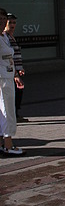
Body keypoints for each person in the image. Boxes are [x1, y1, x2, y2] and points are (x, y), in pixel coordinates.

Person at [0, 8, 25, 156]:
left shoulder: (4, 36)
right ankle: (8, 145)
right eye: (0, 20)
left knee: (6, 109)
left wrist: (15, 74)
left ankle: (3, 144)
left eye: (4, 20)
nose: (3, 23)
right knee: (6, 110)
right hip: (2, 79)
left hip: (8, 76)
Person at [4, 13, 28, 122]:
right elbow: (9, 57)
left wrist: (20, 68)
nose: (12, 25)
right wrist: (15, 73)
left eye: (14, 22)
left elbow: (16, 55)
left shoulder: (11, 37)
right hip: (11, 72)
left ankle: (16, 114)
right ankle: (13, 116)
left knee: (18, 93)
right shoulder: (5, 37)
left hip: (16, 70)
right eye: (10, 23)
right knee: (13, 94)